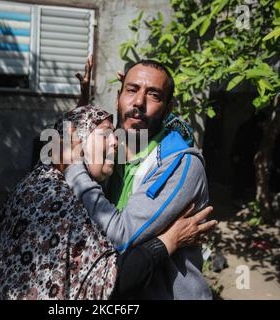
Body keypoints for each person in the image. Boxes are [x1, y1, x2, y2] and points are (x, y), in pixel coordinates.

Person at [0, 105, 217, 300]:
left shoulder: (39, 182)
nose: (116, 142)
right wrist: (170, 240)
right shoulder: (60, 200)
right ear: (78, 144)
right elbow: (114, 282)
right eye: (106, 135)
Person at [65, 59, 216, 299]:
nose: (138, 102)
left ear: (168, 109)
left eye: (154, 95)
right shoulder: (113, 145)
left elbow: (120, 237)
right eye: (131, 90)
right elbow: (77, 133)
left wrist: (72, 168)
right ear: (118, 97)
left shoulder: (180, 164)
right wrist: (84, 95)